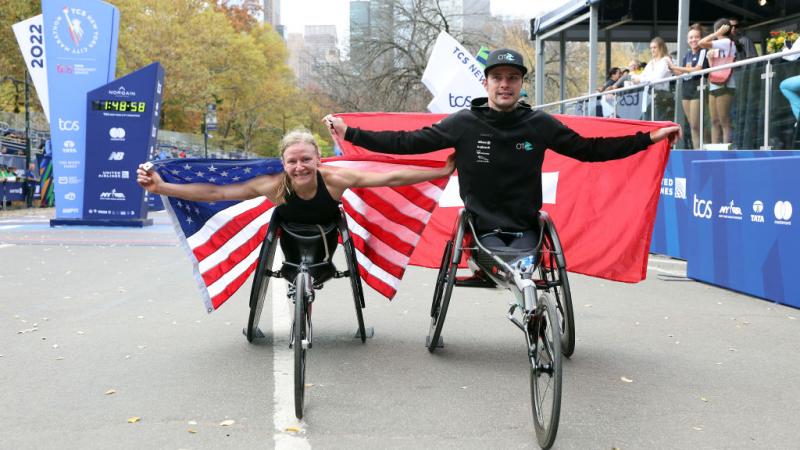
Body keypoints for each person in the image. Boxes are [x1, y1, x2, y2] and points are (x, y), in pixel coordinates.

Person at [324, 48, 680, 251]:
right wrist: (351, 131)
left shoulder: (540, 124)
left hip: (528, 225)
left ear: (522, 84)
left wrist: (649, 138)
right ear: (487, 82)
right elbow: (406, 143)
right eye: (498, 78)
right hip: (479, 226)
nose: (505, 85)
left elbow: (589, 150)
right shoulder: (464, 122)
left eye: (513, 78)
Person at [137, 128, 455, 226]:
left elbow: (391, 177)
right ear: (282, 163)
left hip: (327, 231)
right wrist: (163, 186)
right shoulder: (273, 185)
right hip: (289, 232)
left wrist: (440, 171)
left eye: (306, 160)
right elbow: (217, 193)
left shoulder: (335, 179)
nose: (300, 166)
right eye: (293, 161)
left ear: (319, 160)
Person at [669, 24, 710, 149]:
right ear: (687, 40)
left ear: (701, 38)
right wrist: (670, 67)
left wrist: (676, 67)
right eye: (691, 37)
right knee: (692, 125)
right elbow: (680, 73)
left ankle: (705, 148)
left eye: (696, 37)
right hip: (686, 90)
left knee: (697, 124)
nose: (693, 40)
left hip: (698, 88)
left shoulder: (703, 51)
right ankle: (696, 149)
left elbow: (697, 69)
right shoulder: (687, 55)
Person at [699, 19, 737, 145]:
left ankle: (727, 149)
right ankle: (715, 149)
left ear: (721, 30)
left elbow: (701, 43)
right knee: (714, 121)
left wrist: (715, 34)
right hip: (714, 83)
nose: (715, 33)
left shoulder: (726, 42)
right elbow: (715, 67)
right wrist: (710, 59)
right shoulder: (720, 45)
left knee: (724, 121)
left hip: (725, 85)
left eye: (717, 30)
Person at [629, 37, 674, 121]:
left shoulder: (665, 60)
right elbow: (643, 76)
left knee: (658, 121)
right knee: (646, 121)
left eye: (654, 47)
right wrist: (634, 77)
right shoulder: (651, 62)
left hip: (661, 95)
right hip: (649, 94)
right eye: (651, 48)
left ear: (661, 47)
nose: (652, 50)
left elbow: (657, 78)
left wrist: (641, 80)